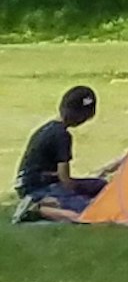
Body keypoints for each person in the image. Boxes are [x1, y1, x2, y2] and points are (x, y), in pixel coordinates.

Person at [15, 85, 100, 219]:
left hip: (31, 182)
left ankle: (48, 202)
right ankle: (37, 208)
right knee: (87, 208)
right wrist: (75, 192)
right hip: (38, 187)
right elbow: (64, 178)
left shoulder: (48, 128)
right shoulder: (62, 136)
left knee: (101, 186)